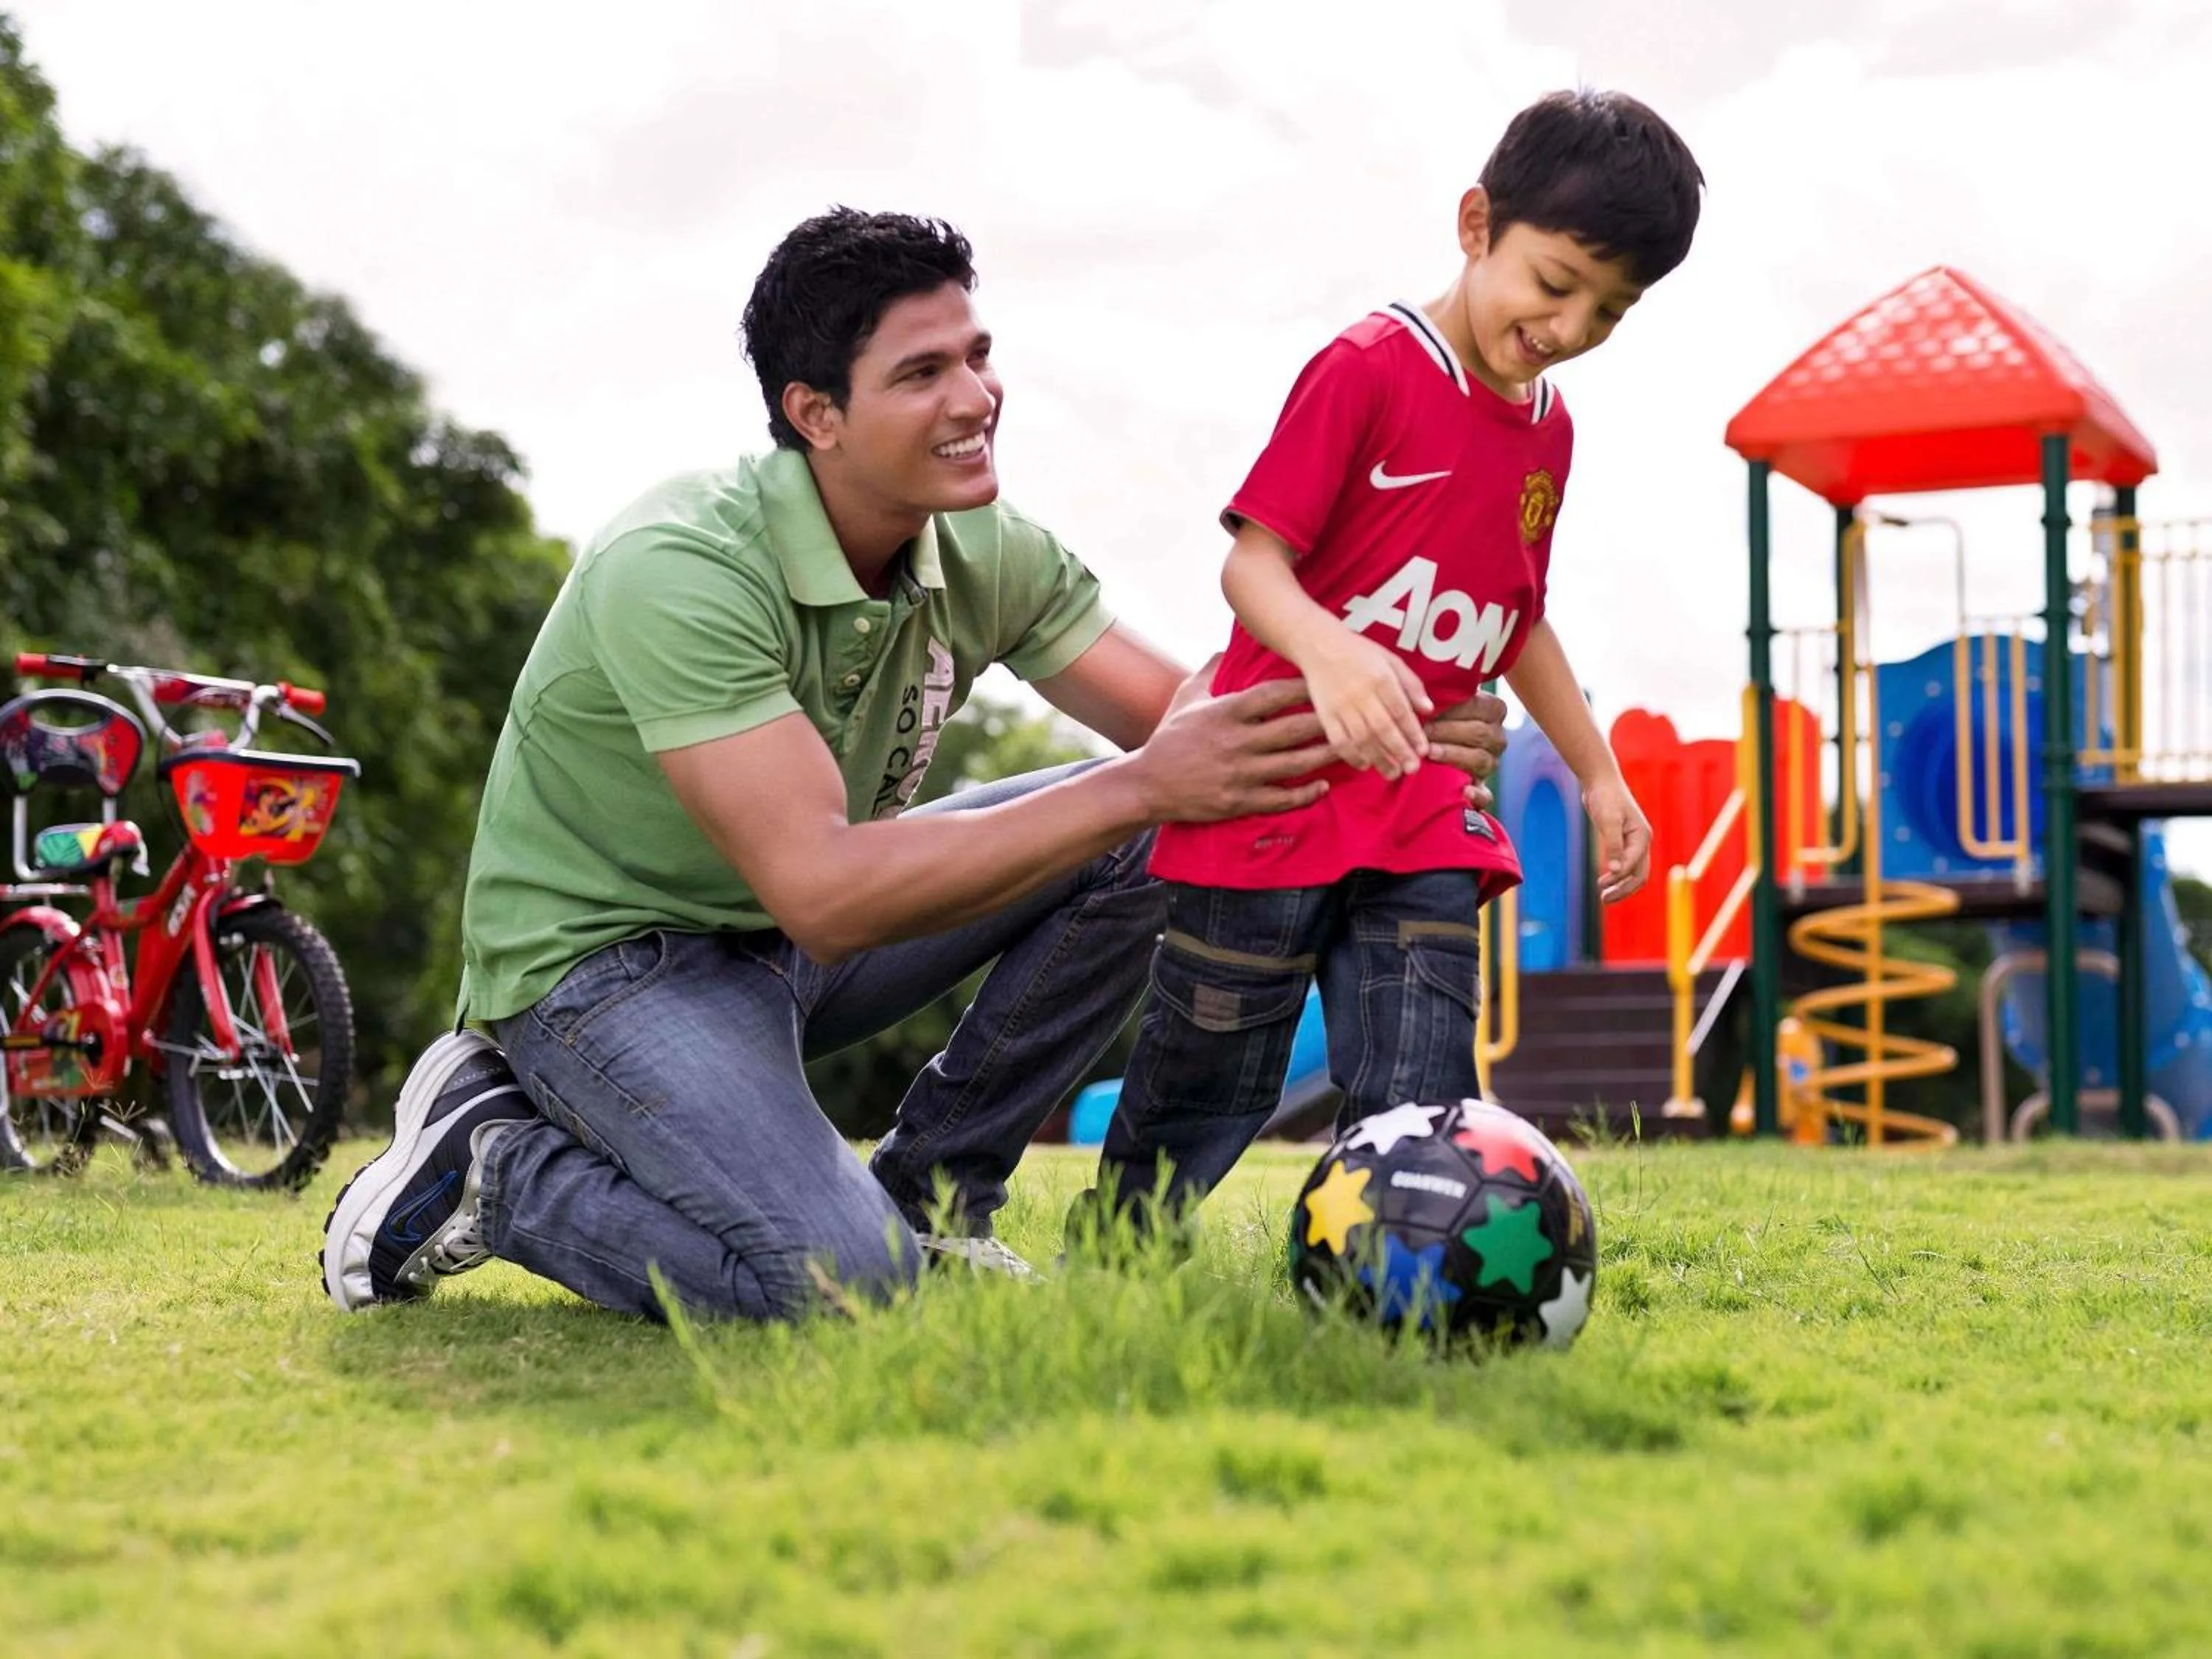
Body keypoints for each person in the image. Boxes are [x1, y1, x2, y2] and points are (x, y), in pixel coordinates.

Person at [319, 207, 1511, 1321]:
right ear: (815, 413)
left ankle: (939, 1194)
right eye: (922, 373)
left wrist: (1385, 706)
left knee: (1156, 829)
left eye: (977, 356)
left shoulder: (978, 543)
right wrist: (1148, 780)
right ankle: (491, 1161)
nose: (977, 397)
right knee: (841, 1283)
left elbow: (1197, 718)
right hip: (606, 973)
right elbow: (826, 899)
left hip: (776, 945)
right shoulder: (680, 569)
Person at [1077, 88, 1704, 1231]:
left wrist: (1600, 773)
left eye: (1610, 311)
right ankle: (1118, 1263)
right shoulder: (1368, 366)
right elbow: (1252, 567)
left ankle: (1407, 1285)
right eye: (1557, 284)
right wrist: (1334, 656)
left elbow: (1520, 617)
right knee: (1207, 1080)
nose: (1569, 327)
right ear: (1477, 226)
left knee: (1422, 1094)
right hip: (1268, 795)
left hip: (1424, 812)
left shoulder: (1548, 433)